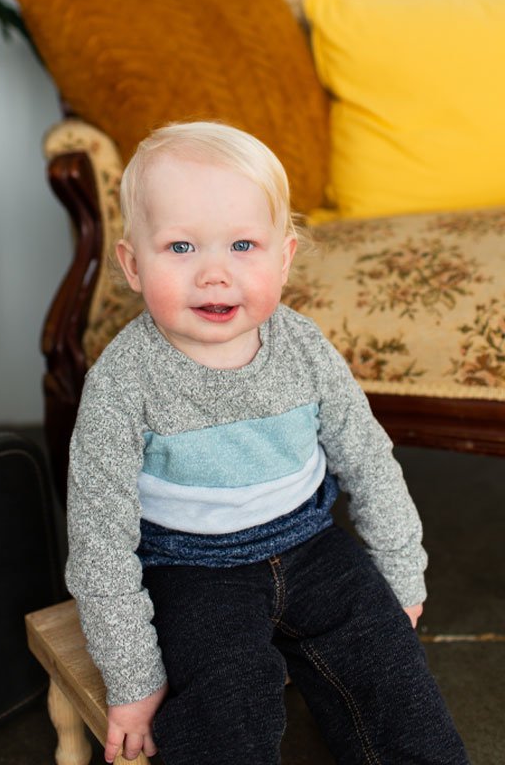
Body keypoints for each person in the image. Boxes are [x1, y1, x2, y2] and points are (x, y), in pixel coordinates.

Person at [66, 122, 468, 764]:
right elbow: (99, 541)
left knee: (389, 675)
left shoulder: (303, 348)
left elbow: (368, 460)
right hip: (191, 571)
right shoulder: (122, 381)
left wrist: (400, 570)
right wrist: (134, 680)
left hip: (312, 547)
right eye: (181, 248)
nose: (215, 274)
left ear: (284, 257)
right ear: (133, 265)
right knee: (224, 703)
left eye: (243, 245)